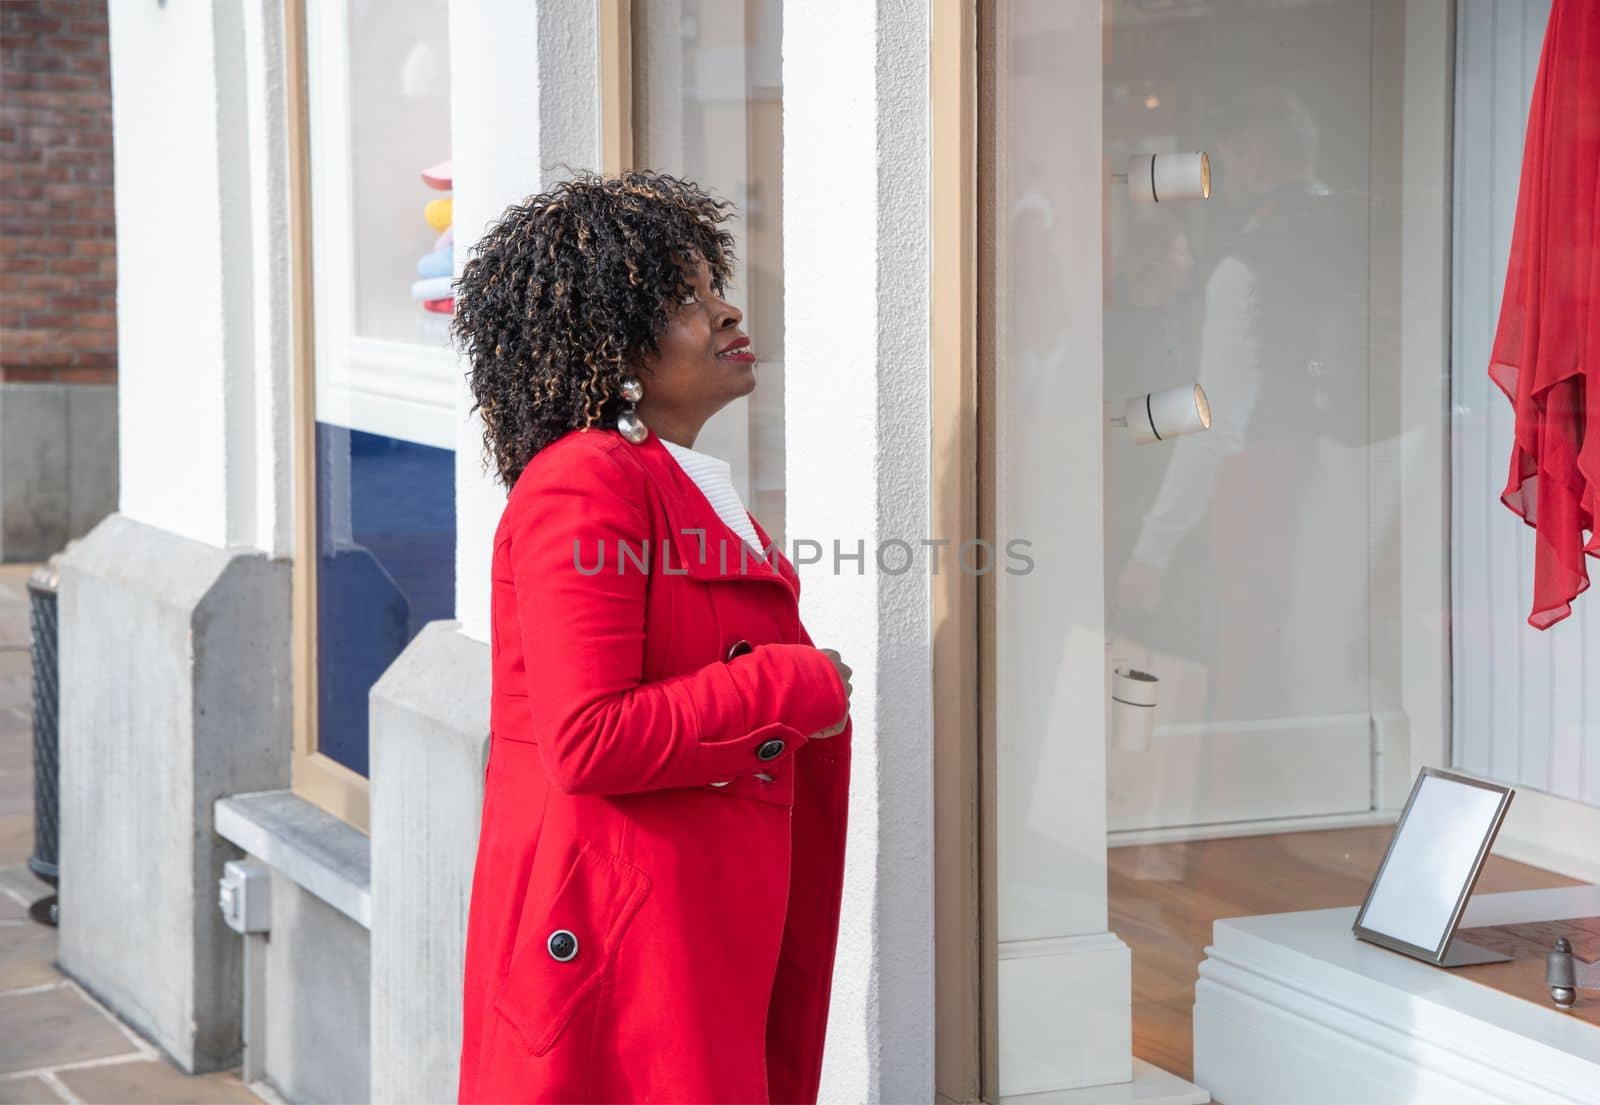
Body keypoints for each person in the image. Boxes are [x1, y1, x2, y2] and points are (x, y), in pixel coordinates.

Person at [449, 168, 855, 1104]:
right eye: (684, 297)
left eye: (713, 285)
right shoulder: (585, 481)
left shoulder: (668, 477)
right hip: (624, 948)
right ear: (612, 343)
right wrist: (800, 685)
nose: (724, 309)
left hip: (686, 922)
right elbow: (591, 736)